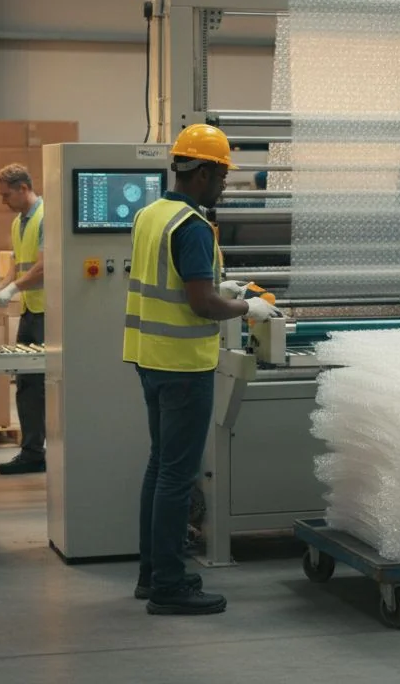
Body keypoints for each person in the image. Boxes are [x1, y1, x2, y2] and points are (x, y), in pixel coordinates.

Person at [124, 124, 281, 616]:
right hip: (184, 366)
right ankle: (171, 585)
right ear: (205, 172)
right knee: (177, 475)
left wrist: (220, 285)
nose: (224, 185)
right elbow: (200, 304)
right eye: (222, 176)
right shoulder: (192, 226)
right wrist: (245, 308)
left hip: (149, 359)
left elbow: (179, 281)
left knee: (160, 468)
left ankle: (152, 574)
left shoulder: (152, 214)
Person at [0, 163, 47, 475]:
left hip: (50, 312)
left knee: (50, 385)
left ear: (23, 188)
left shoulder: (47, 218)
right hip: (30, 311)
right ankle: (32, 451)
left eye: (6, 194)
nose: (2, 201)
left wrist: (14, 289)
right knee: (26, 383)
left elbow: (45, 267)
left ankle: (53, 448)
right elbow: (18, 266)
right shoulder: (19, 222)